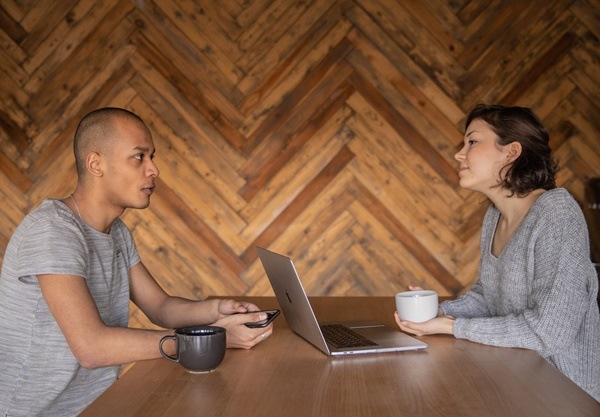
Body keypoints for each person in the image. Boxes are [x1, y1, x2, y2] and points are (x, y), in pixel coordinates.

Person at [0, 108, 274, 416]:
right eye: (139, 157)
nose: (153, 169)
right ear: (96, 164)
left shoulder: (116, 232)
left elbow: (160, 307)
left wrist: (216, 310)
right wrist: (208, 340)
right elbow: (92, 348)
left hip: (97, 406)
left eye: (152, 157)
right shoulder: (53, 231)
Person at [395, 104, 600, 402]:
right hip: (515, 377)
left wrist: (453, 326)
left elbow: (549, 332)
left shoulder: (557, 215)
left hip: (564, 394)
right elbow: (489, 298)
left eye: (472, 142)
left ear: (511, 152)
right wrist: (439, 313)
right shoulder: (496, 215)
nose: (459, 153)